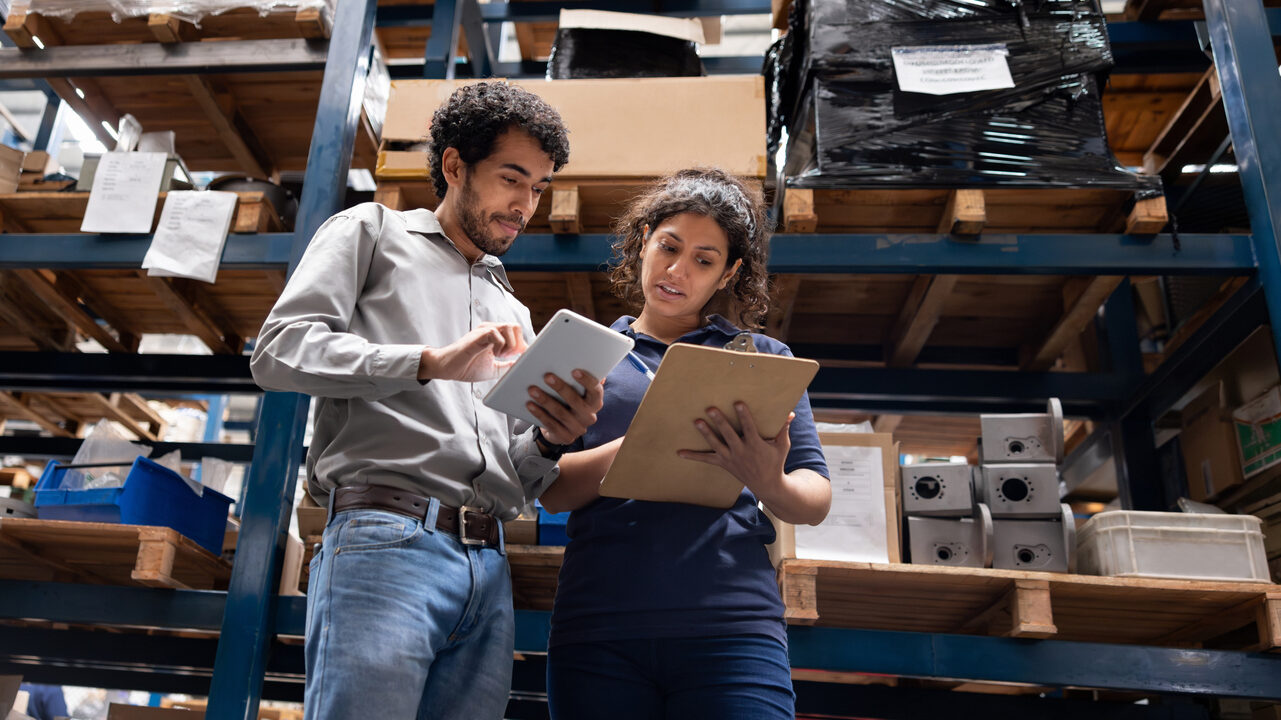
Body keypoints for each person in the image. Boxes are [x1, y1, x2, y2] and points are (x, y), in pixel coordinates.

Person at [250, 82, 604, 720]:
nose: (525, 205)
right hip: (385, 541)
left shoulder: (512, 308)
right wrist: (425, 363)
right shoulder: (372, 232)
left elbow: (510, 476)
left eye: (539, 189)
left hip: (489, 567)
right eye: (512, 179)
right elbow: (277, 351)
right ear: (454, 166)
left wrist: (550, 438)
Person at [539, 168, 832, 719]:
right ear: (643, 239)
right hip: (599, 628)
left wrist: (767, 480)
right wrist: (649, 440)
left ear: (729, 274)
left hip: (733, 628)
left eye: (704, 260)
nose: (678, 271)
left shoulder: (761, 360)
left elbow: (814, 498)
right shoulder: (584, 354)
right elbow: (549, 491)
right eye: (668, 247)